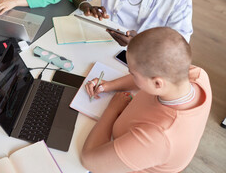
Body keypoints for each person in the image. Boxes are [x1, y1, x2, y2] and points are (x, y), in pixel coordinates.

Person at [82, 27, 211, 172]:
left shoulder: (159, 137)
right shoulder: (196, 75)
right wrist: (110, 85)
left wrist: (113, 109)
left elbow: (89, 160)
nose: (131, 75)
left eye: (133, 73)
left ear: (157, 83)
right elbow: (152, 72)